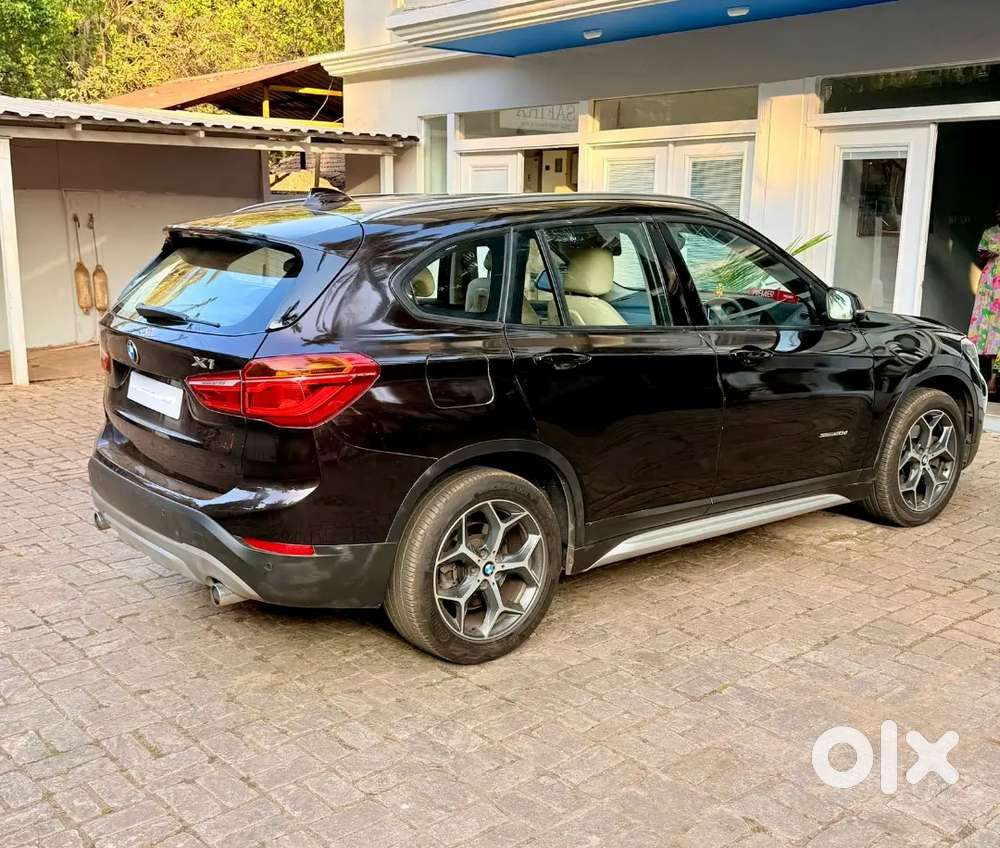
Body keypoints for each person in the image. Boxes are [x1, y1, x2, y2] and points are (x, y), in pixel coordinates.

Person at [969, 204, 1000, 395]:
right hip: (990, 284)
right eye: (997, 210)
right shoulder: (990, 232)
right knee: (988, 328)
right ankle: (989, 378)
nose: (998, 213)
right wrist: (991, 253)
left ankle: (994, 378)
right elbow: (981, 256)